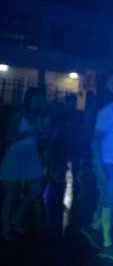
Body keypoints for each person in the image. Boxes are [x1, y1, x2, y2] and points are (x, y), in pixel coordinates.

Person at [81, 80, 113, 260]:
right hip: (108, 163)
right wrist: (98, 165)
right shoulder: (109, 111)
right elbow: (95, 139)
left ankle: (93, 227)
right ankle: (106, 245)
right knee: (109, 203)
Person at [0, 88, 49, 240]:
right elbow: (9, 137)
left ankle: (15, 220)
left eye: (40, 98)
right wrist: (30, 132)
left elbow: (43, 140)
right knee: (11, 194)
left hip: (31, 155)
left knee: (37, 190)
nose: (38, 101)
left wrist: (44, 133)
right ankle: (5, 230)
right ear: (29, 99)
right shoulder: (19, 113)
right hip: (15, 154)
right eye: (35, 98)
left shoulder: (41, 116)